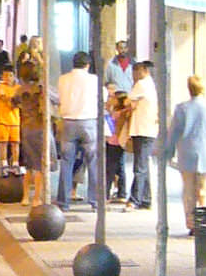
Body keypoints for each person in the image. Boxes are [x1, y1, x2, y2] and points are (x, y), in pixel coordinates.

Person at [164, 76, 206, 234]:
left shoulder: (182, 108)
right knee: (204, 191)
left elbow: (174, 133)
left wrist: (169, 152)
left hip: (187, 155)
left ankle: (192, 223)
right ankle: (205, 223)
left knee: (189, 191)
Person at [55, 50, 101, 209]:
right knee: (93, 162)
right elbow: (103, 98)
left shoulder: (63, 79)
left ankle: (63, 202)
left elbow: (59, 98)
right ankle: (95, 201)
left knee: (67, 162)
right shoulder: (94, 80)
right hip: (89, 122)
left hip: (68, 122)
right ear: (87, 65)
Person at [126, 60, 160, 209]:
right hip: (148, 130)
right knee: (143, 165)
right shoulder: (150, 84)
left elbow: (128, 100)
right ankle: (146, 199)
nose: (135, 74)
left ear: (145, 70)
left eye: (137, 71)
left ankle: (135, 199)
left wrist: (132, 104)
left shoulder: (142, 84)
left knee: (139, 166)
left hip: (142, 129)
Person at [14, 64, 49, 205]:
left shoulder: (20, 90)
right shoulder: (40, 89)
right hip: (39, 127)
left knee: (28, 164)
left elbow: (13, 103)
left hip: (25, 127)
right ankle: (37, 198)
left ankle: (25, 197)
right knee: (39, 165)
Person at [105, 85, 133, 205]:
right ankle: (121, 192)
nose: (111, 99)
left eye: (113, 98)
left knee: (110, 167)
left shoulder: (118, 113)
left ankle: (106, 192)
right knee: (120, 167)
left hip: (113, 142)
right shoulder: (122, 112)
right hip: (119, 142)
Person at [0, 69, 21, 170]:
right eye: (5, 76)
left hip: (15, 121)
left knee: (15, 143)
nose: (8, 78)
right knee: (3, 144)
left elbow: (19, 102)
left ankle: (15, 164)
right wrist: (13, 101)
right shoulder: (1, 87)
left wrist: (14, 101)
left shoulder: (18, 88)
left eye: (10, 75)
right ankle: (4, 164)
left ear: (14, 76)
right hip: (2, 121)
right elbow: (6, 100)